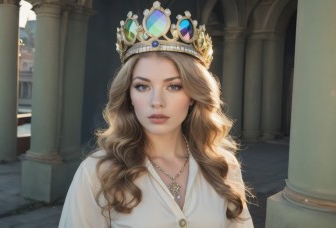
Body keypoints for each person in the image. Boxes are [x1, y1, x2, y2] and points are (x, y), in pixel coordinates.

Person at [59, 1, 253, 227]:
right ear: (129, 95)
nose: (157, 102)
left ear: (192, 95)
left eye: (174, 86)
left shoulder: (223, 166)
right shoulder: (97, 173)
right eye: (142, 86)